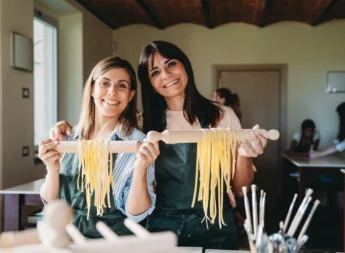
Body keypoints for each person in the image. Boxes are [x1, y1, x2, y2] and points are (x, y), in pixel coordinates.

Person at [50, 41, 268, 249]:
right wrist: (68, 129)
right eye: (155, 72)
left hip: (216, 225)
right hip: (162, 229)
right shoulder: (144, 124)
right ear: (150, 85)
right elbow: (103, 127)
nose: (166, 75)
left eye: (171, 64)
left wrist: (244, 154)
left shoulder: (221, 117)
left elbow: (241, 189)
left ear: (185, 66)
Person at [39, 56, 158, 238]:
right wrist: (52, 170)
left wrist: (141, 168)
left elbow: (136, 214)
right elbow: (51, 202)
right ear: (93, 89)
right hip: (67, 237)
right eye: (105, 83)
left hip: (115, 241)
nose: (112, 92)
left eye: (121, 86)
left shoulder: (138, 144)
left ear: (131, 95)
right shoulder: (68, 138)